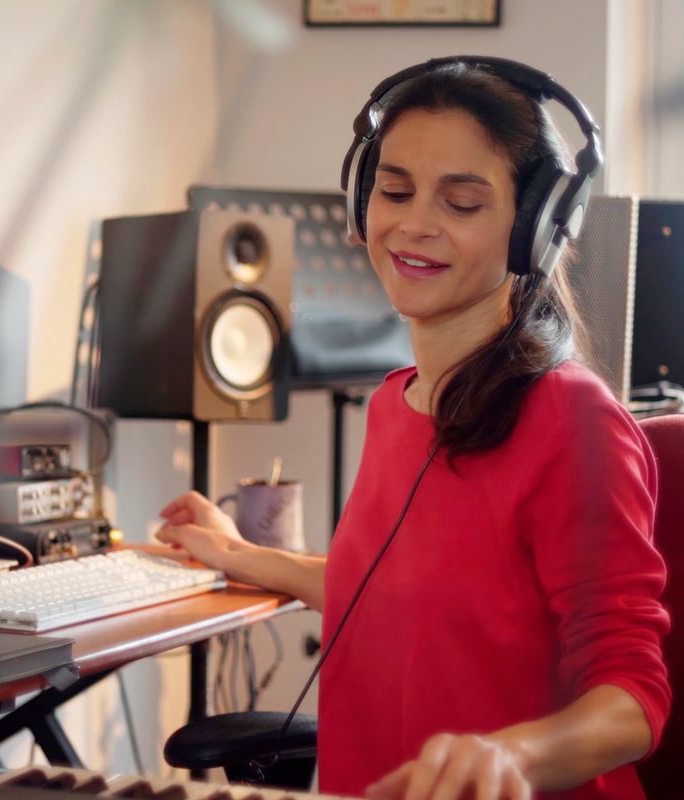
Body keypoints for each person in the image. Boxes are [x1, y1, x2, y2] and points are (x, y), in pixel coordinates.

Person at [157, 57, 670, 800]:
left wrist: (511, 757)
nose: (415, 223)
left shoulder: (575, 422)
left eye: (462, 202)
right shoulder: (394, 404)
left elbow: (633, 702)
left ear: (534, 227)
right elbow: (392, 592)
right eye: (394, 190)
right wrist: (236, 553)